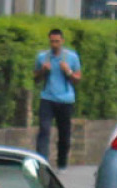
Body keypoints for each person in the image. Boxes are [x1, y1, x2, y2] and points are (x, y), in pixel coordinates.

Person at [34, 29, 81, 170]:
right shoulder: (43, 57)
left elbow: (78, 79)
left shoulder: (71, 57)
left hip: (65, 100)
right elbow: (35, 79)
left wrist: (68, 71)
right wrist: (43, 70)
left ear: (62, 41)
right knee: (44, 129)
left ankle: (62, 163)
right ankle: (42, 161)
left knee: (64, 132)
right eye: (52, 41)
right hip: (47, 98)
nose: (54, 44)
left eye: (57, 41)